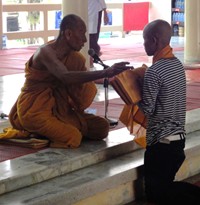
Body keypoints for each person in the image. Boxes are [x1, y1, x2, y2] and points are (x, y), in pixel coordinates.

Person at [4, 14, 132, 149]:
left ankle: (47, 132)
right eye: (81, 34)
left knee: (101, 127)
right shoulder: (45, 52)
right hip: (35, 110)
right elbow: (65, 76)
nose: (84, 40)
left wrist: (109, 76)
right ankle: (35, 133)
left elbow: (81, 91)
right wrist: (105, 72)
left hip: (61, 109)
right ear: (69, 34)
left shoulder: (76, 58)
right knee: (73, 137)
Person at [137, 19, 200, 204]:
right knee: (164, 189)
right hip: (178, 141)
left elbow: (147, 109)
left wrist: (130, 93)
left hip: (161, 144)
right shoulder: (177, 65)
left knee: (157, 195)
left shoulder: (154, 71)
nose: (143, 44)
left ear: (155, 40)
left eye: (145, 40)